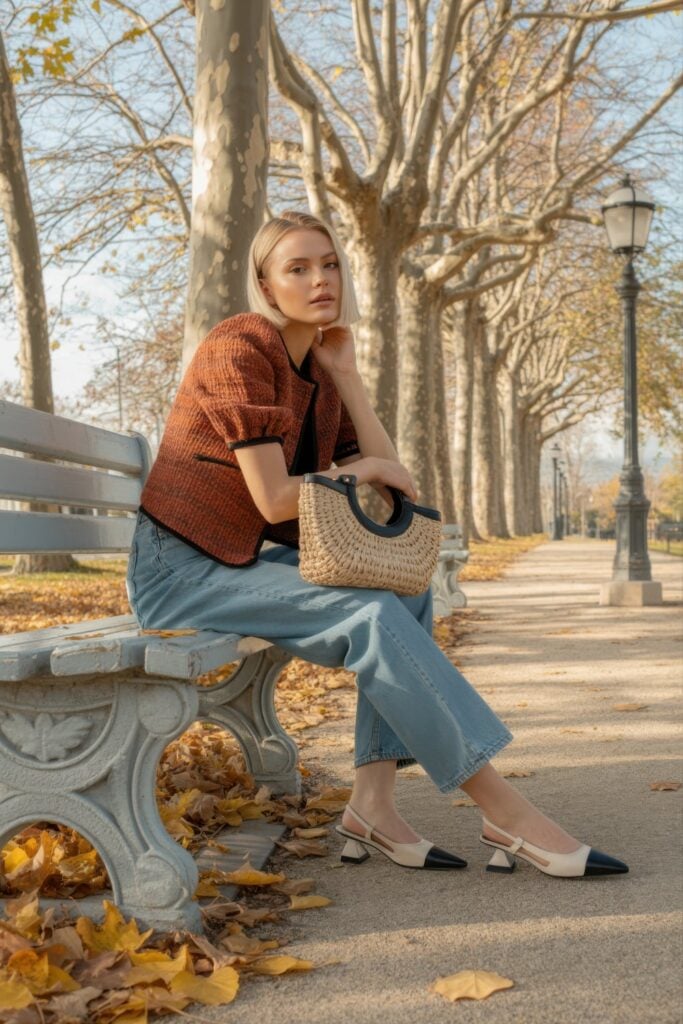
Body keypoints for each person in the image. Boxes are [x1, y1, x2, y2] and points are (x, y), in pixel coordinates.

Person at [127, 210, 628, 879]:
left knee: (404, 590)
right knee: (368, 613)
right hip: (180, 571)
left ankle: (373, 807)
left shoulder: (316, 369)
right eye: (298, 268)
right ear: (266, 286)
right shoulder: (238, 347)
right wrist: (361, 471)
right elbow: (276, 500)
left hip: (239, 560)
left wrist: (347, 375)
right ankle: (505, 812)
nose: (320, 279)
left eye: (329, 263)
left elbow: (392, 477)